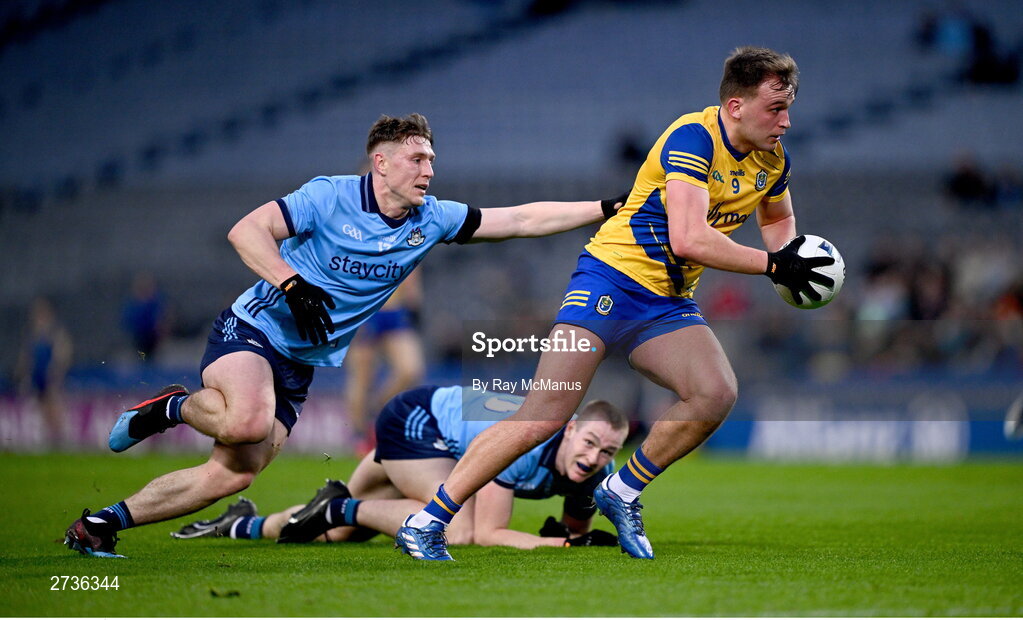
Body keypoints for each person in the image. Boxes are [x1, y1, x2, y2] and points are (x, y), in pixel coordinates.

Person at [63, 113, 626, 558]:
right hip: (254, 328)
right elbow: (246, 230)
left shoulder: (433, 217)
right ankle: (175, 407)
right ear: (380, 163)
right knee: (248, 422)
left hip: (300, 361)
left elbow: (521, 219)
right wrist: (289, 282)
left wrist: (603, 208)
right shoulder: (329, 195)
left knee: (229, 475)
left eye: (431, 158)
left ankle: (102, 523)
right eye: (416, 158)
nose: (428, 169)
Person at [398, 47, 835, 560]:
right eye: (775, 108)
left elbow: (778, 220)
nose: (786, 121)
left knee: (715, 393)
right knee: (543, 415)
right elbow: (690, 238)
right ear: (736, 106)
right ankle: (427, 522)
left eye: (788, 108)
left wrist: (789, 257)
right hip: (609, 282)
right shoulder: (692, 138)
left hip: (667, 302)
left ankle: (621, 491)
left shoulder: (772, 157)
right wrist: (774, 267)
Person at [172, 385, 627, 551]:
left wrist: (573, 536)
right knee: (454, 530)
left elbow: (573, 527)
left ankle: (240, 525)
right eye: (589, 443)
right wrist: (559, 549)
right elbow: (489, 534)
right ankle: (338, 509)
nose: (594, 459)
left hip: (438, 439)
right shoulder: (527, 444)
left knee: (345, 535)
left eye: (608, 452)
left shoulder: (586, 469)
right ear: (568, 430)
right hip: (417, 424)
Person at [344, 271, 425, 455]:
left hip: (395, 312)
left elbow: (412, 269)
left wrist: (414, 303)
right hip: (365, 310)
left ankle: (377, 412)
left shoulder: (411, 240)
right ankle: (360, 438)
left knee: (410, 370)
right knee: (362, 377)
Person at [15, 297, 73, 448]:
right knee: (42, 408)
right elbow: (27, 356)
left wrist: (57, 370)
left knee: (53, 406)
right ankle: (50, 439)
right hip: (37, 375)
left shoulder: (53, 333)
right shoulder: (33, 335)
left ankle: (62, 438)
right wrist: (24, 373)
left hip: (50, 375)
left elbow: (63, 351)